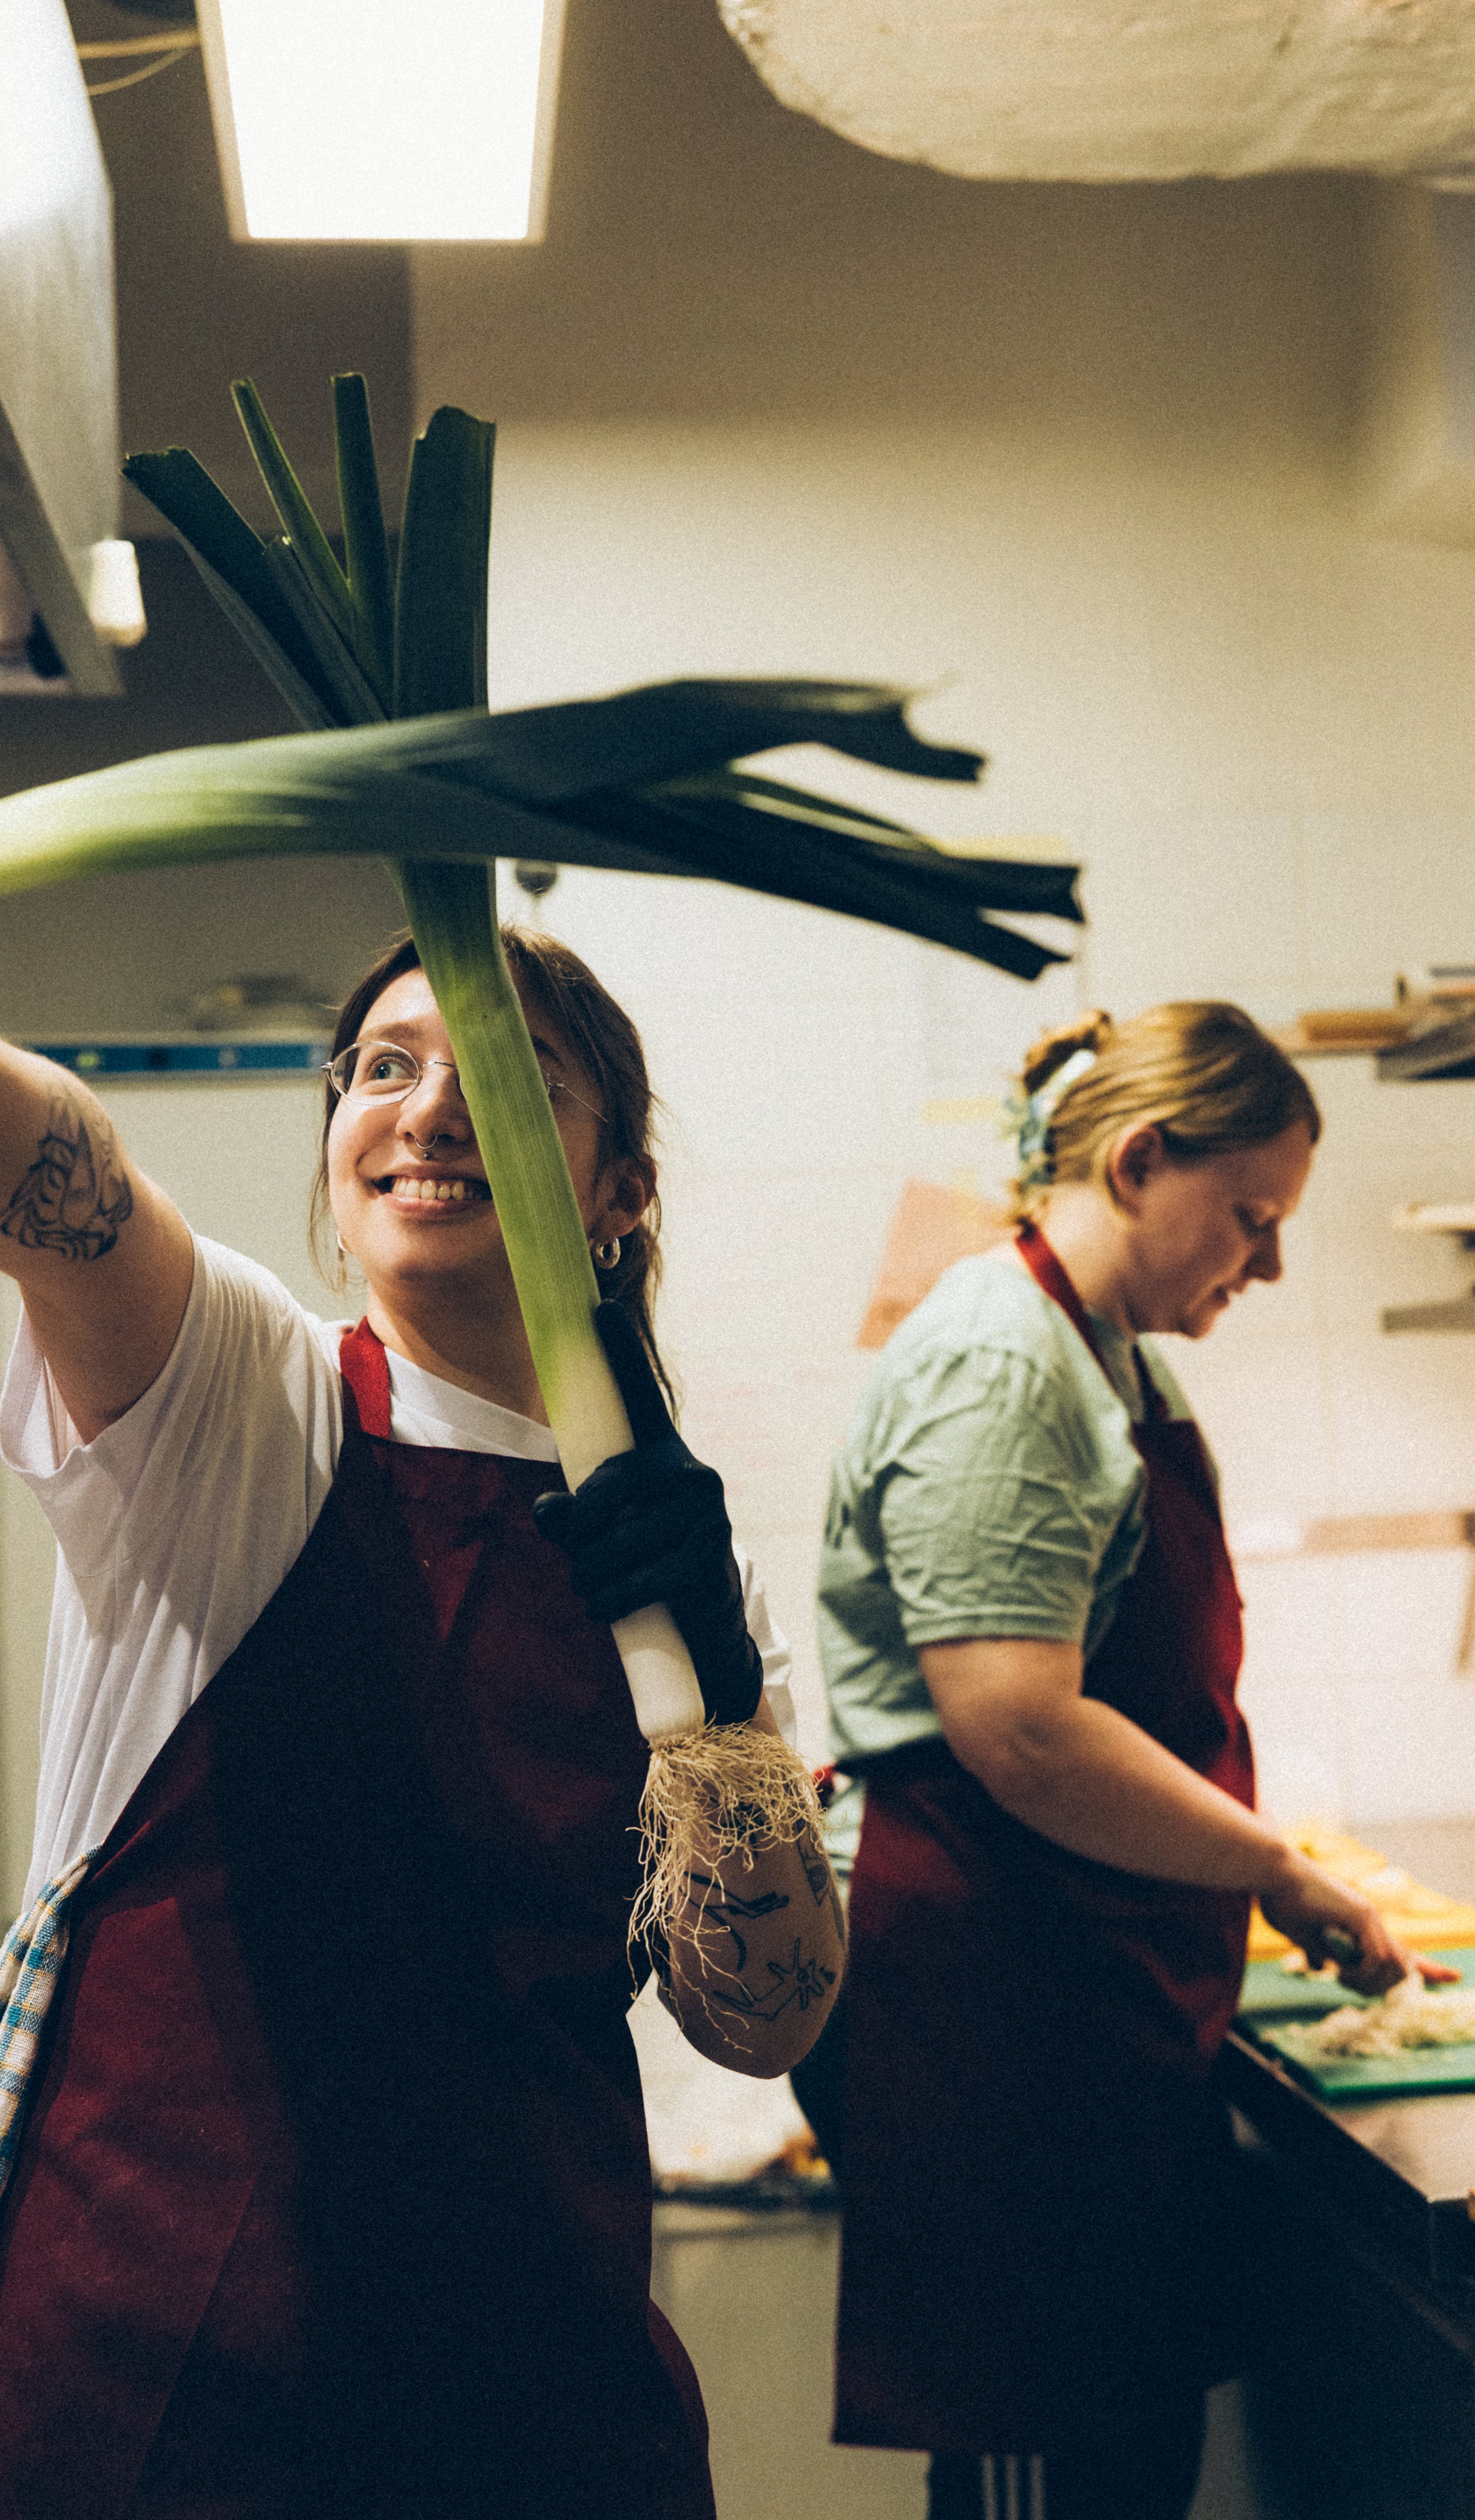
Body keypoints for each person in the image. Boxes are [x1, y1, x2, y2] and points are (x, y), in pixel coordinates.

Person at [0, 925, 843, 2520]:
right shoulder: (238, 1397)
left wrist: (724, 1704)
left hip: (535, 2390)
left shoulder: (679, 1563)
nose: (431, 1109)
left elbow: (766, 2021)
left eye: (511, 1080)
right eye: (386, 1067)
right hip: (164, 2389)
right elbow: (51, 1157)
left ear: (622, 1197)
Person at [813, 1001, 1446, 2520]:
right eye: (1253, 1217)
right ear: (1143, 1159)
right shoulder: (1002, 1361)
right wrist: (1277, 1868)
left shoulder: (1112, 1360)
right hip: (1000, 1982)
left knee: (1116, 2460)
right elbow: (1020, 1729)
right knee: (1051, 2472)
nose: (1270, 1265)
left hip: (1081, 1976)